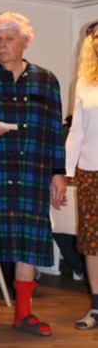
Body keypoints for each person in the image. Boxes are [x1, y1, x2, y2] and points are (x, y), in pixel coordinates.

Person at [0, 11, 66, 338]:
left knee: (28, 241)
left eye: (9, 38)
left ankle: (24, 313)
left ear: (25, 42)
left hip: (33, 171)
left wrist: (58, 173)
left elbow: (54, 131)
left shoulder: (46, 80)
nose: (2, 45)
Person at [65, 20, 98, 329]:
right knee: (91, 242)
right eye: (96, 37)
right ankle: (97, 306)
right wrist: (65, 173)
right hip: (90, 172)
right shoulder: (84, 83)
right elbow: (75, 132)